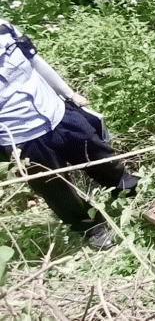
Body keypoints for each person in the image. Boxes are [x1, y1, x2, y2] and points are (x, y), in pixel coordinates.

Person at [0, 19, 138, 250]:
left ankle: (129, 191)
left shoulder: (4, 28)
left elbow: (34, 60)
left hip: (57, 112)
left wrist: (68, 93)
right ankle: (90, 227)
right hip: (20, 137)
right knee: (55, 189)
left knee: (98, 156)